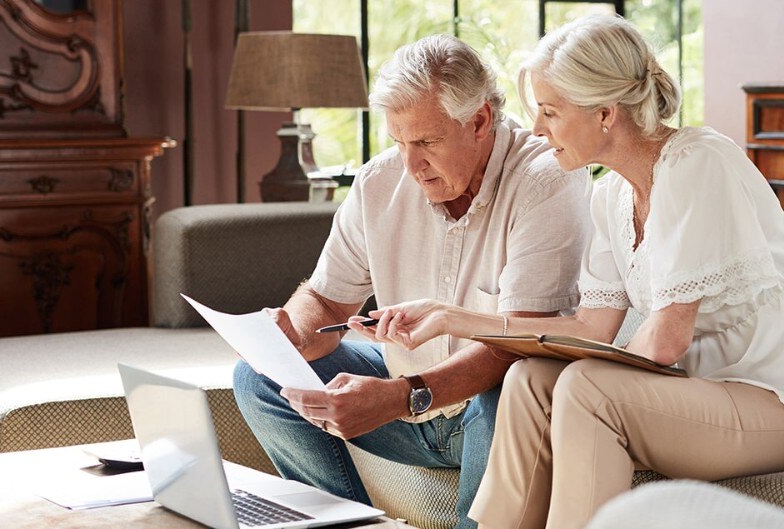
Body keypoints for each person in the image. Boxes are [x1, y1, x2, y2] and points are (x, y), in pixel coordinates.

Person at [364, 15, 784, 529]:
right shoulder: (612, 196)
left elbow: (663, 343)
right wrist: (452, 318)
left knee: (587, 388)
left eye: (550, 112)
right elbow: (589, 329)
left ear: (605, 113)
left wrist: (580, 373)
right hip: (714, 397)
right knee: (530, 378)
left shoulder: (699, 161)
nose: (536, 128)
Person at [231, 35, 591, 529]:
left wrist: (402, 395)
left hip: (484, 410)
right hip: (409, 396)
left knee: (513, 385)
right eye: (400, 142)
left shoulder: (546, 178)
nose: (411, 165)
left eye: (426, 142)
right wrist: (291, 335)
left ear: (480, 120)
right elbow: (325, 299)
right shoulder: (380, 181)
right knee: (257, 376)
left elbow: (519, 341)